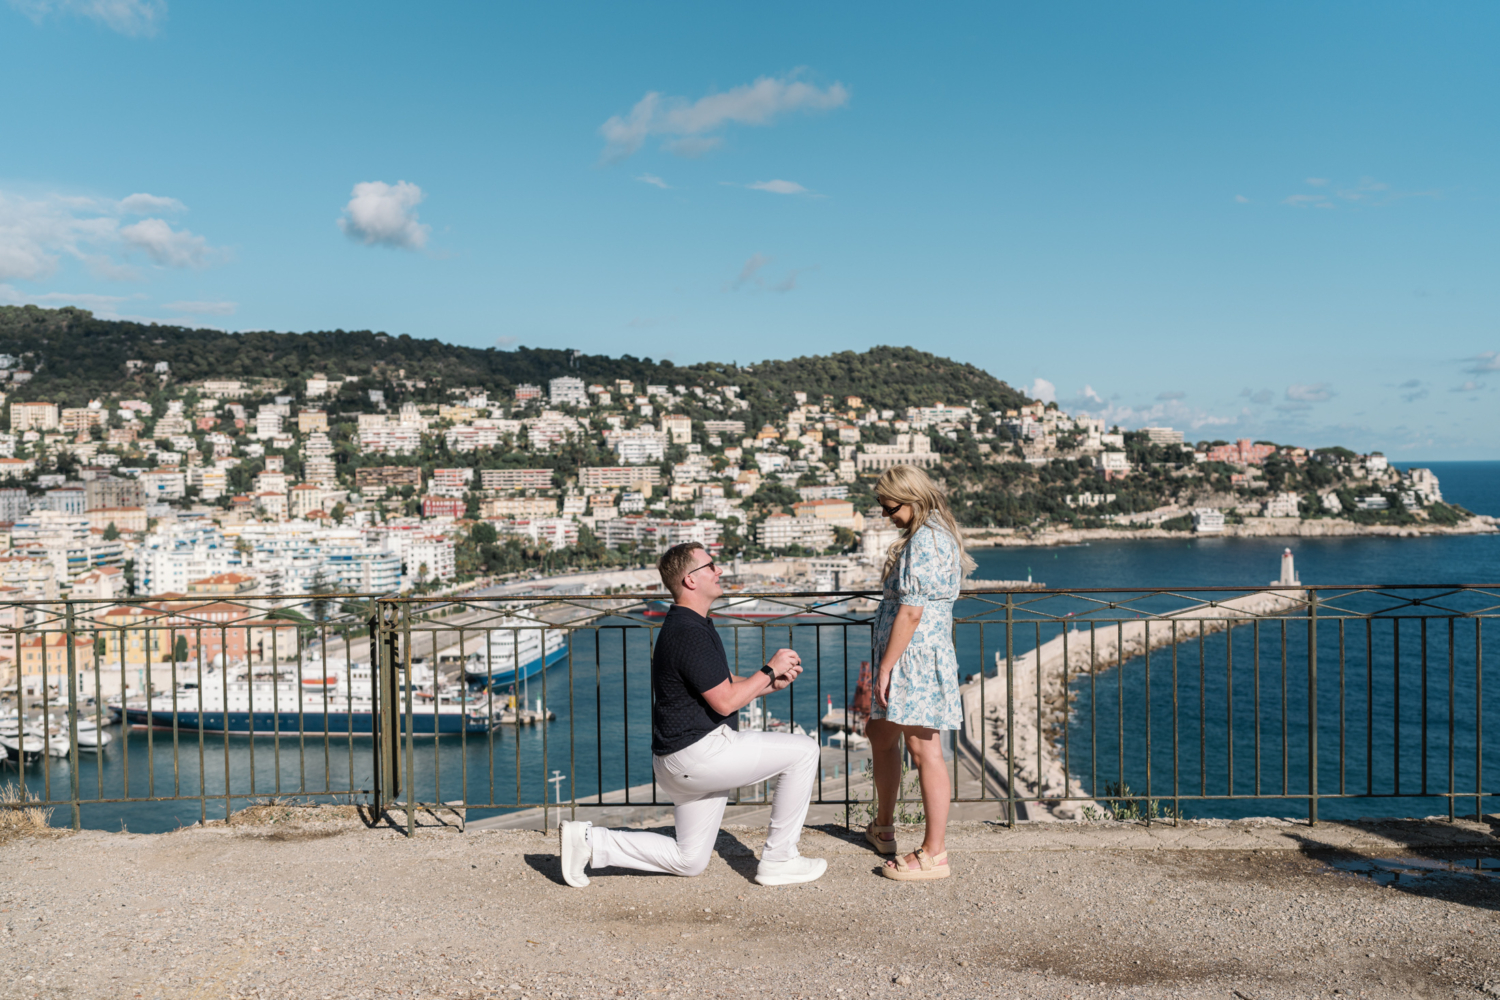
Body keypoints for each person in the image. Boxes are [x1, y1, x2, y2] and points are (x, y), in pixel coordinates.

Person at [558, 542, 826, 888]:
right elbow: (726, 703)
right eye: (711, 566)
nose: (720, 571)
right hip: (699, 755)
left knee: (689, 859)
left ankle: (588, 842)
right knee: (804, 752)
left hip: (679, 761)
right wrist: (769, 668)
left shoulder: (690, 625)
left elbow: (724, 686)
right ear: (690, 580)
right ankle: (780, 859)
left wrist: (768, 684)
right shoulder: (688, 632)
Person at [863, 464, 975, 880]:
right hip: (910, 652)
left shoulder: (927, 540)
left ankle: (934, 853)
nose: (886, 515)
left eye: (890, 506)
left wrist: (887, 666)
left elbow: (911, 612)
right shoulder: (928, 535)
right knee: (881, 732)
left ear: (911, 499)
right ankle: (885, 826)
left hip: (913, 656)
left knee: (924, 749)